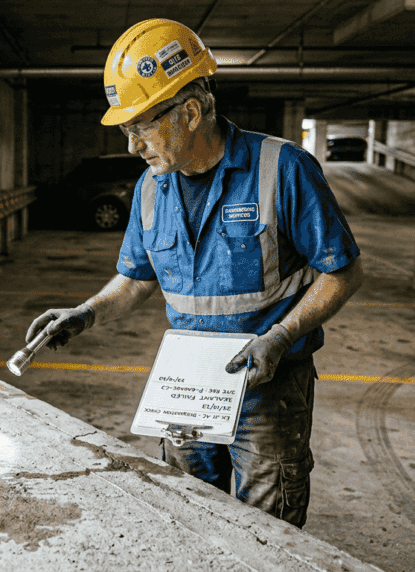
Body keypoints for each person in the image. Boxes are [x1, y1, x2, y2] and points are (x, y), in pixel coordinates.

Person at [24, 18, 363, 528]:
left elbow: (344, 271)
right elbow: (138, 278)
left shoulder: (283, 168)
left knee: (266, 531)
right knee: (187, 518)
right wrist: (85, 313)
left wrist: (281, 335)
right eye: (126, 129)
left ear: (191, 111)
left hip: (267, 385)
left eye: (142, 126)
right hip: (188, 385)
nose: (133, 145)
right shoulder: (149, 188)